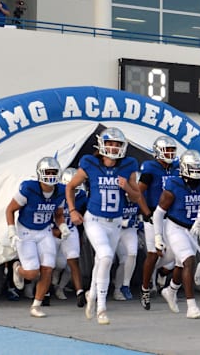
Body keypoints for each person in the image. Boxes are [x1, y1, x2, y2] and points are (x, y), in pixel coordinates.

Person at [65, 127, 148, 325]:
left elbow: (137, 196)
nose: (113, 147)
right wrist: (72, 210)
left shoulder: (128, 165)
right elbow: (70, 186)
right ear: (102, 145)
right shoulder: (90, 163)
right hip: (94, 220)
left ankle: (92, 295)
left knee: (102, 261)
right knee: (106, 256)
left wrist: (126, 187)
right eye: (110, 143)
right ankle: (101, 307)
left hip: (116, 222)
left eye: (117, 144)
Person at [7, 157, 71, 318]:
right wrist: (11, 231)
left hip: (44, 231)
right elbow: (10, 210)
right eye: (47, 172)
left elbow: (58, 213)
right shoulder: (29, 188)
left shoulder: (61, 191)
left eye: (53, 172)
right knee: (32, 273)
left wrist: (62, 226)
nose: (50, 175)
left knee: (48, 268)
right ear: (40, 173)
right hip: (26, 231)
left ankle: (36, 305)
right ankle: (17, 268)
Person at [153, 150, 200, 319]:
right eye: (192, 167)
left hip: (192, 228)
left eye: (198, 167)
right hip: (175, 227)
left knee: (180, 264)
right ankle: (191, 306)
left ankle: (171, 290)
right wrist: (158, 236)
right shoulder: (174, 185)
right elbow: (158, 213)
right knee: (189, 261)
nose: (196, 171)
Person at [138, 136, 179, 310]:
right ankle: (145, 289)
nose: (170, 153)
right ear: (158, 152)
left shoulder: (177, 167)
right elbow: (138, 192)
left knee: (176, 253)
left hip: (171, 216)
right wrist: (146, 212)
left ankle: (162, 273)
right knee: (153, 254)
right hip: (153, 215)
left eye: (172, 150)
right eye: (166, 150)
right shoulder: (150, 168)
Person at [51, 168, 87, 307]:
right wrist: (53, 230)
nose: (74, 192)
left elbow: (84, 214)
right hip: (55, 231)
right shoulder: (56, 193)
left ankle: (78, 292)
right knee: (55, 263)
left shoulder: (82, 196)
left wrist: (81, 233)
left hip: (71, 230)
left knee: (72, 262)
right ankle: (43, 290)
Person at [112, 189, 141, 301]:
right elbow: (107, 217)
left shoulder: (139, 198)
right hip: (115, 229)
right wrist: (123, 222)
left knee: (132, 254)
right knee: (107, 260)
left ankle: (124, 286)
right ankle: (96, 288)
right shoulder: (117, 198)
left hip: (129, 230)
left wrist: (140, 222)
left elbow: (141, 214)